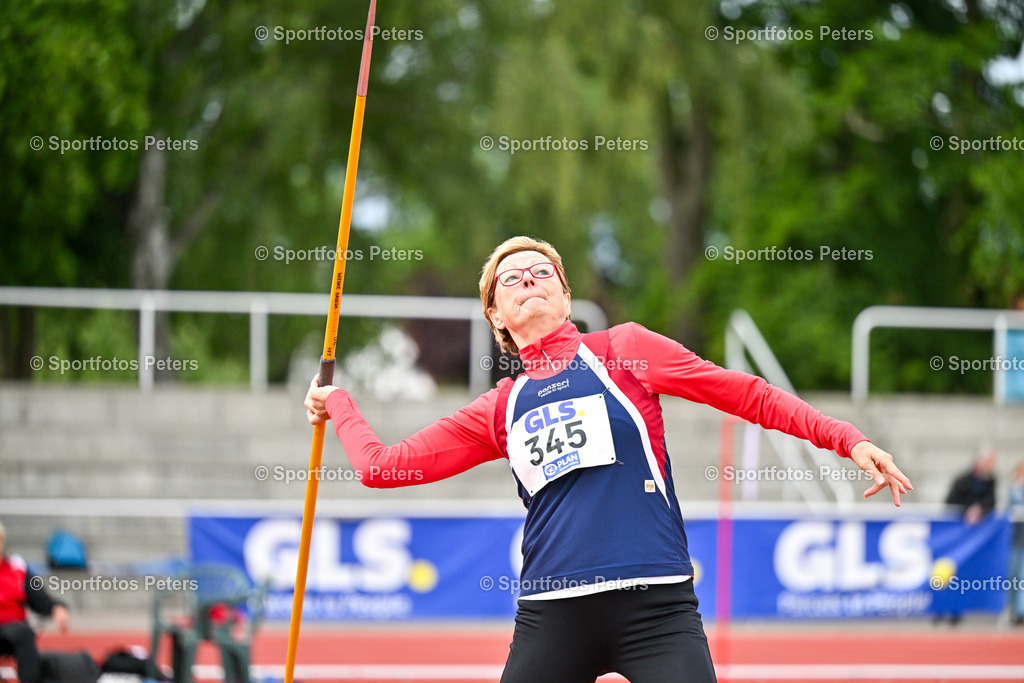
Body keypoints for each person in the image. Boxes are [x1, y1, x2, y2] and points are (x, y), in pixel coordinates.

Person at [304, 236, 912, 682]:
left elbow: (746, 394)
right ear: (495, 315)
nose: (528, 281)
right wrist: (341, 403)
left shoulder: (624, 350)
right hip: (552, 612)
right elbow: (382, 467)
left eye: (542, 272)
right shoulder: (500, 406)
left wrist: (847, 439)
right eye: (510, 279)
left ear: (565, 295)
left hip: (656, 604)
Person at [0, 521, 71, 683]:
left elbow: (39, 597)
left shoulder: (17, 568)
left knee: (23, 633)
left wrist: (56, 607)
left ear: (2, 542)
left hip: (12, 631)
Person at [945, 445, 998, 525]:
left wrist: (979, 508)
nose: (991, 465)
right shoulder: (962, 481)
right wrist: (968, 509)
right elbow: (951, 501)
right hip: (960, 524)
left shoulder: (990, 481)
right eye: (989, 461)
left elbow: (991, 501)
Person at [1009, 462, 1024, 626]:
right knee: (1012, 576)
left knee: (1022, 576)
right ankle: (1012, 610)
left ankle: (1020, 612)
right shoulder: (1014, 488)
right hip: (1014, 539)